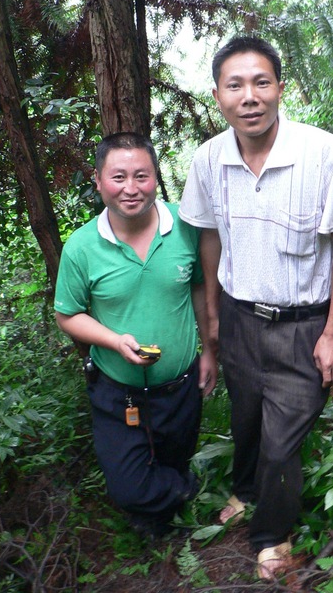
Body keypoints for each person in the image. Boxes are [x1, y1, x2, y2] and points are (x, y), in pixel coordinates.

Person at [178, 36, 333, 579]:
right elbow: (209, 237)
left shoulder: (321, 152)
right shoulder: (209, 158)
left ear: (280, 88)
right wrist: (212, 317)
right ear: (217, 96)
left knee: (283, 440)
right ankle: (243, 488)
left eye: (261, 82)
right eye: (235, 85)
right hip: (238, 316)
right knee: (246, 417)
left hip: (302, 322)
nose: (250, 96)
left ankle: (271, 536)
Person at [54, 132, 217, 538]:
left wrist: (210, 351)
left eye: (142, 176)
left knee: (173, 461)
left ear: (156, 177)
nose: (131, 188)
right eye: (119, 177)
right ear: (97, 180)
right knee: (130, 487)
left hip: (180, 386)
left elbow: (200, 287)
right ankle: (188, 493)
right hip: (117, 391)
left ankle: (161, 525)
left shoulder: (185, 226)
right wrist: (114, 340)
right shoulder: (82, 247)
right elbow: (67, 314)